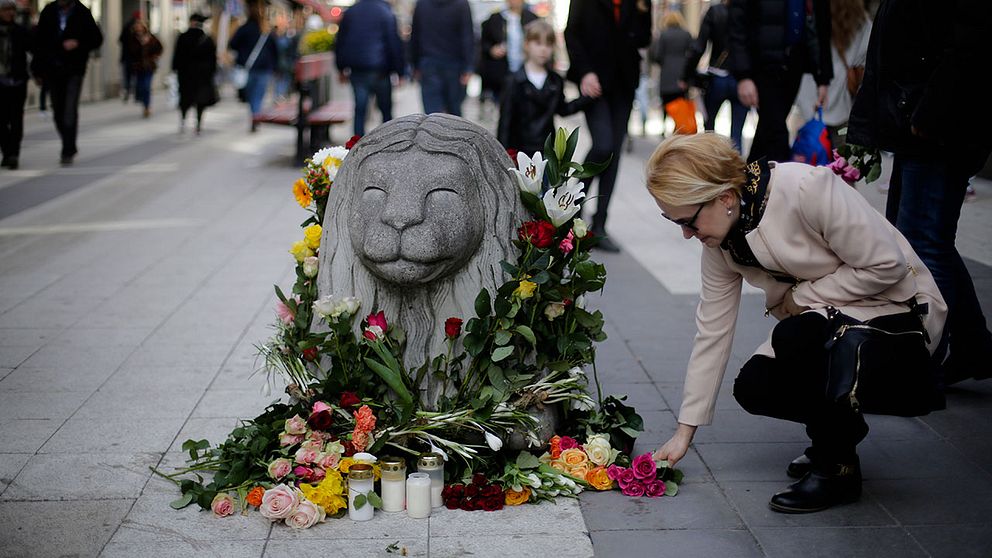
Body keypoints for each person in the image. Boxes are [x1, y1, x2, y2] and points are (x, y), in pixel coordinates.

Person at [647, 133, 946, 513]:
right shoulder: (721, 243)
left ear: (724, 198)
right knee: (755, 386)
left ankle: (836, 467)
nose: (686, 234)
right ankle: (837, 435)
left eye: (687, 221)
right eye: (674, 221)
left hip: (900, 319)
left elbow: (885, 265)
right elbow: (712, 330)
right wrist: (683, 432)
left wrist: (801, 299)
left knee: (795, 336)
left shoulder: (806, 188)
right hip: (828, 325)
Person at [847, 0, 992, 384]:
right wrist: (866, 133)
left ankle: (919, 366)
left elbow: (970, 46)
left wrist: (926, 118)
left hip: (940, 131)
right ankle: (974, 347)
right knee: (925, 242)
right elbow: (884, 56)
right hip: (922, 127)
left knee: (923, 247)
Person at [564, 0, 652, 253]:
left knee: (613, 153)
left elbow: (644, 38)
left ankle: (600, 225)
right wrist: (585, 73)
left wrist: (640, 13)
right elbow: (572, 33)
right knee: (602, 146)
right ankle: (573, 208)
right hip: (595, 83)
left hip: (623, 83)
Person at [728, 0, 831, 162]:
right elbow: (737, 25)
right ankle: (778, 183)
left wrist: (822, 77)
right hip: (764, 66)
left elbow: (819, 25)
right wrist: (744, 76)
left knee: (767, 133)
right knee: (777, 134)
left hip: (793, 65)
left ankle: (750, 182)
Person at [497, 19, 590, 156]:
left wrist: (587, 97)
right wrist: (503, 155)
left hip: (547, 152)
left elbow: (563, 109)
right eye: (538, 43)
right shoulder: (513, 81)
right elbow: (505, 122)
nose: (543, 49)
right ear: (527, 45)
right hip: (519, 152)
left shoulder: (555, 81)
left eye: (548, 44)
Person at [31, 0, 103, 165]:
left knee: (70, 109)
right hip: (53, 69)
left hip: (74, 69)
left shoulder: (81, 12)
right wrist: (37, 70)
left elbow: (96, 38)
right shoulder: (49, 11)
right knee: (57, 111)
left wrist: (78, 43)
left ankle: (67, 150)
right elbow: (39, 43)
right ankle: (68, 142)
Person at [795, 0, 871, 150]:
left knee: (810, 160)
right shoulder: (857, 18)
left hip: (808, 94)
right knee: (841, 162)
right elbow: (867, 49)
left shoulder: (807, 9)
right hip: (840, 102)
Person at [335, 0, 406, 136]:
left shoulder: (351, 12)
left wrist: (341, 68)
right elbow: (394, 44)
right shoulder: (386, 11)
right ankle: (389, 145)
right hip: (381, 70)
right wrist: (400, 71)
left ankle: (356, 147)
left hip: (358, 69)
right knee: (385, 111)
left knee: (360, 111)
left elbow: (340, 42)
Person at [683, 0, 746, 152]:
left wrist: (687, 75)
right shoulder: (747, 12)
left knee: (709, 131)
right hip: (742, 79)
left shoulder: (714, 11)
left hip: (717, 76)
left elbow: (699, 47)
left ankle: (710, 166)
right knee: (737, 134)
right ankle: (735, 172)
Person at [409, 0, 474, 116]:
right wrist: (468, 67)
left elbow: (415, 36)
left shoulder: (422, 4)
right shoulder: (461, 4)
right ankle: (455, 133)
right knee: (454, 112)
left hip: (428, 62)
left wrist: (414, 64)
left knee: (431, 113)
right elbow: (467, 36)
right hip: (454, 64)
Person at [478, 0, 538, 105]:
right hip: (501, 73)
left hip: (526, 71)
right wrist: (492, 49)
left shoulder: (532, 19)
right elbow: (483, 43)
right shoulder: (495, 19)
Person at [228, 5, 278, 131]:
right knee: (259, 95)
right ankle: (256, 116)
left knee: (251, 96)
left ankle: (254, 116)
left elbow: (232, 44)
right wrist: (275, 67)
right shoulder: (265, 31)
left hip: (248, 68)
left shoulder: (244, 29)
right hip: (264, 68)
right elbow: (274, 50)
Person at [172, 13, 218, 135]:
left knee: (185, 99)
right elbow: (213, 60)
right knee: (200, 100)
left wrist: (175, 71)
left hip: (185, 75)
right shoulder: (208, 39)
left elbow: (176, 57)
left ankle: (183, 120)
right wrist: (211, 73)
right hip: (202, 76)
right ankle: (198, 124)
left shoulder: (183, 37)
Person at [648, 11, 693, 133]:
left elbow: (657, 55)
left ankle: (664, 126)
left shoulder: (664, 35)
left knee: (666, 102)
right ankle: (679, 127)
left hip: (667, 75)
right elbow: (693, 53)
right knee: (681, 102)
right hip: (682, 74)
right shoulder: (686, 34)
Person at [0, 0, 31, 170]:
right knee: (2, 120)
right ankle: (6, 151)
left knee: (16, 118)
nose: (9, 13)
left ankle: (14, 154)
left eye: (12, 10)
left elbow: (34, 49)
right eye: (5, 10)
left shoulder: (20, 31)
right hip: (0, 82)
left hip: (18, 81)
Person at [127, 20, 162, 118]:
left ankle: (147, 107)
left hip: (149, 66)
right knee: (140, 86)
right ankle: (143, 100)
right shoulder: (132, 39)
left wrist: (155, 56)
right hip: (138, 67)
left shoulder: (150, 37)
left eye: (140, 26)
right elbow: (129, 51)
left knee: (146, 86)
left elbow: (160, 47)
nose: (138, 28)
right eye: (137, 26)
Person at [118, 10, 140, 102]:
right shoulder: (138, 28)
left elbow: (120, 39)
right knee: (135, 75)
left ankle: (127, 91)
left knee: (127, 76)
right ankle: (135, 94)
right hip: (134, 57)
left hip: (127, 56)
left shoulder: (127, 26)